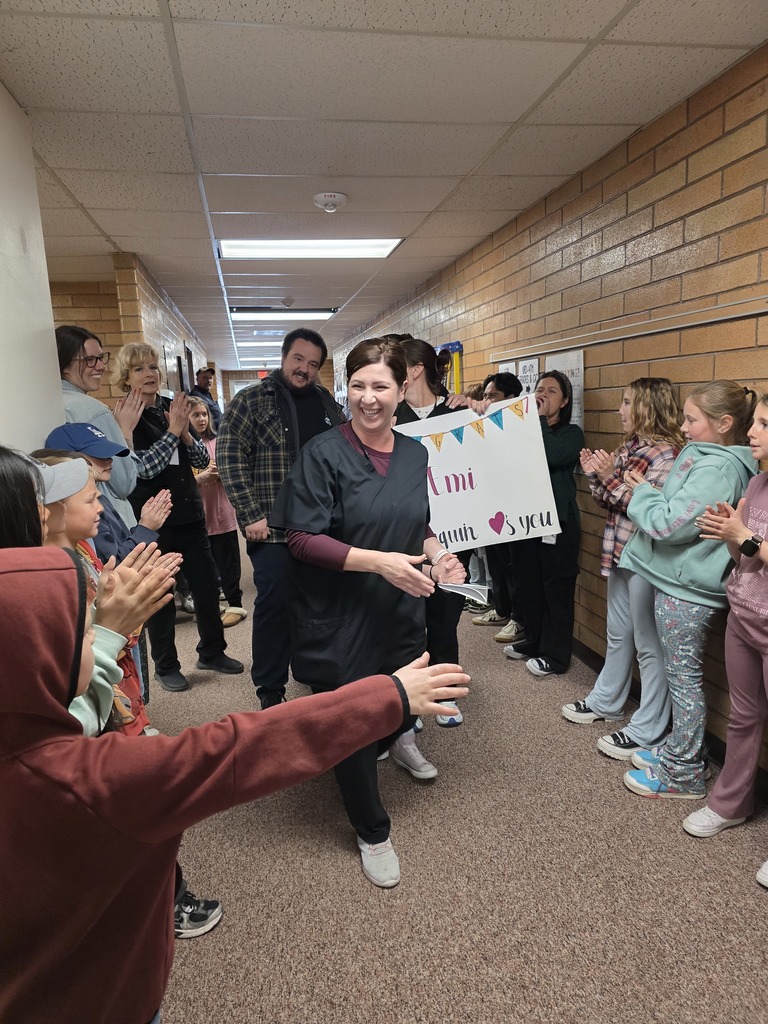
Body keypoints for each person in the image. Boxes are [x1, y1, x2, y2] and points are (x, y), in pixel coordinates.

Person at [0, 544, 469, 1024]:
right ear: (41, 656)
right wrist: (388, 695)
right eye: (86, 634)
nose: (102, 643)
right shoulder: (94, 783)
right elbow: (239, 749)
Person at [271, 339, 466, 888]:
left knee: (401, 699)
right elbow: (303, 539)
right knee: (354, 719)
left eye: (381, 386)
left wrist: (437, 554)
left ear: (403, 390)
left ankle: (397, 740)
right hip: (342, 610)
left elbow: (417, 523)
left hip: (400, 604)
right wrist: (379, 563)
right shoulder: (323, 453)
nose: (368, 398)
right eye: (358, 386)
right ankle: (372, 829)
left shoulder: (415, 454)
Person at [618, 381, 757, 790]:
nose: (683, 425)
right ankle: (682, 748)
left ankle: (685, 769)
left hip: (688, 590)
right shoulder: (706, 457)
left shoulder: (717, 468)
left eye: (692, 419)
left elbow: (670, 524)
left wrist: (642, 493)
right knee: (682, 674)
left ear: (724, 423)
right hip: (682, 582)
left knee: (683, 678)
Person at [217, 328, 344, 709]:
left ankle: (313, 670)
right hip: (271, 528)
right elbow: (229, 457)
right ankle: (270, 689)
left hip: (322, 526)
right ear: (284, 356)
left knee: (318, 603)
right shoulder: (251, 400)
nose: (304, 369)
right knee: (275, 605)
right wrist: (250, 514)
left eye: (312, 364)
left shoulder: (326, 403)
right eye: (298, 359)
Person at [111, 343, 243, 692]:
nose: (150, 374)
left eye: (153, 367)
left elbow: (200, 458)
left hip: (190, 514)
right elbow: (140, 471)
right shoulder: (124, 417)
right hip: (155, 521)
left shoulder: (173, 408)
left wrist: (184, 432)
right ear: (126, 377)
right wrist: (173, 433)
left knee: (205, 587)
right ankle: (166, 666)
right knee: (162, 596)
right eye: (140, 369)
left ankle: (212, 651)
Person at [561, 379, 684, 743]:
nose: (620, 410)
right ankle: (606, 701)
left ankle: (649, 727)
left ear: (648, 406)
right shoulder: (632, 447)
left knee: (649, 645)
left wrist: (608, 476)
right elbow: (610, 501)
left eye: (627, 402)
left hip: (646, 559)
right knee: (618, 634)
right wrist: (596, 474)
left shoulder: (668, 455)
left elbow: (646, 510)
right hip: (619, 551)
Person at [682, 394, 768, 888]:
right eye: (753, 422)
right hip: (745, 615)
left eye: (762, 424)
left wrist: (746, 537)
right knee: (743, 715)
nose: (752, 432)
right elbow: (747, 559)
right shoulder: (756, 482)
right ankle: (731, 803)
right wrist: (730, 536)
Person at [394, 336, 472, 727]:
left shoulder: (459, 412)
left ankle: (444, 690)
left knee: (444, 617)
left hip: (458, 534)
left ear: (415, 370)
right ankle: (412, 692)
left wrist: (481, 409)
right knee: (408, 616)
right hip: (409, 533)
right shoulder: (393, 417)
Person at [503, 370, 584, 676]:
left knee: (556, 590)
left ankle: (556, 655)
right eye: (539, 389)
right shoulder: (520, 430)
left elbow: (548, 455)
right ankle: (535, 641)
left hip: (557, 525)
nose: (543, 395)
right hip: (524, 522)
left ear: (564, 401)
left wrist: (536, 419)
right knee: (527, 586)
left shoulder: (571, 434)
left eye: (552, 392)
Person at [56, 324, 144, 528]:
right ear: (63, 363)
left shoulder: (49, 402)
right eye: (89, 360)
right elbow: (124, 483)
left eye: (101, 357)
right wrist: (125, 433)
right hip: (109, 523)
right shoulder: (92, 411)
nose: (101, 366)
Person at [472, 372, 527, 644]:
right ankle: (502, 609)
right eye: (485, 396)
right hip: (490, 507)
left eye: (493, 396)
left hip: (515, 511)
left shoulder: (522, 428)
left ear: (511, 399)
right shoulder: (483, 427)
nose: (487, 401)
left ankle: (518, 617)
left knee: (514, 565)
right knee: (496, 563)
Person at [188, 396, 247, 628]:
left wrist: (224, 473)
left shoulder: (218, 441)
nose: (202, 419)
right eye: (196, 415)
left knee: (229, 562)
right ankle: (211, 607)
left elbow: (236, 468)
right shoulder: (184, 445)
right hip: (198, 516)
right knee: (205, 568)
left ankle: (235, 604)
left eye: (204, 414)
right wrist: (201, 478)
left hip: (223, 514)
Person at [189, 365, 222, 431]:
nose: (208, 380)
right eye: (204, 378)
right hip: (209, 434)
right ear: (197, 379)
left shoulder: (207, 394)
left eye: (210, 378)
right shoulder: (196, 395)